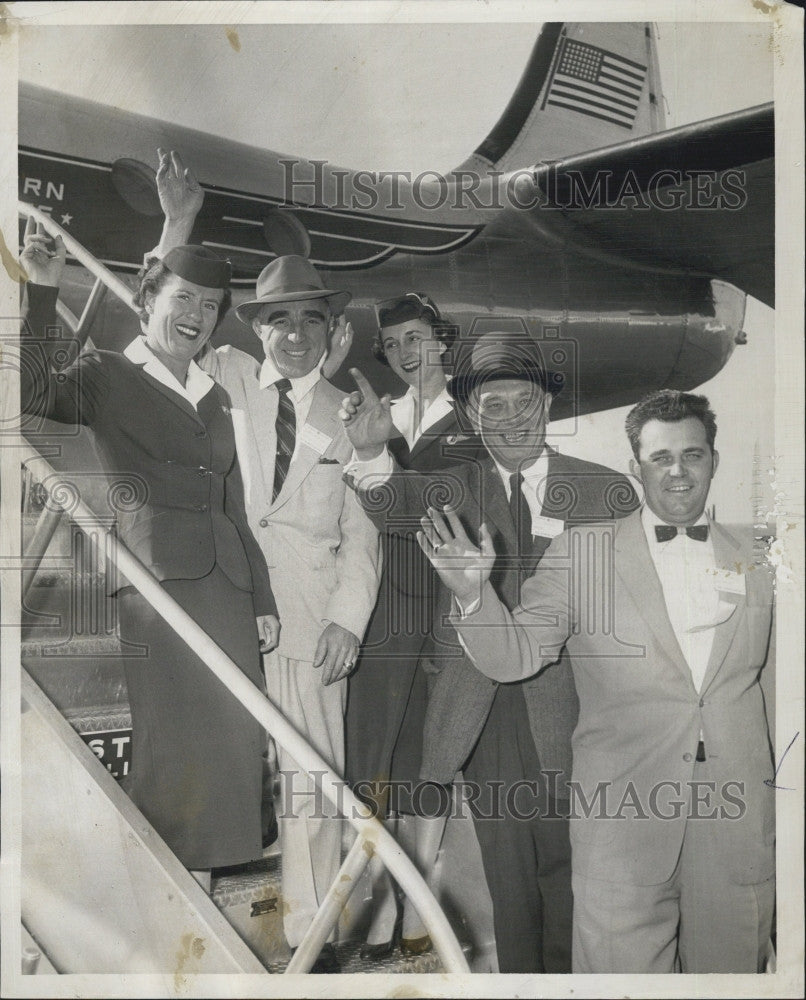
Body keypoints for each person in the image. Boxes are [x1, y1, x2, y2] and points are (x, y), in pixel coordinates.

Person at [418, 389, 775, 974]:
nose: (679, 472)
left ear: (714, 459)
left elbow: (783, 693)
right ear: (636, 468)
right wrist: (474, 595)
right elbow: (514, 656)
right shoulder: (579, 553)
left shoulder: (762, 556)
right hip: (622, 820)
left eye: (693, 454)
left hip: (736, 818)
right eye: (661, 458)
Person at [340, 330, 638, 972]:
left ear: (548, 406)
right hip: (481, 706)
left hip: (576, 707)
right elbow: (393, 505)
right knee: (509, 878)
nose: (507, 420)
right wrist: (368, 453)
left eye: (522, 402)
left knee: (571, 869)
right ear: (472, 416)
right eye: (490, 406)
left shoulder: (604, 490)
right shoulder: (451, 485)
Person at [150, 155, 381, 971]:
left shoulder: (353, 412)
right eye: (276, 318)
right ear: (257, 327)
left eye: (307, 320)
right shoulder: (228, 375)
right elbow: (153, 331)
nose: (291, 333)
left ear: (330, 329)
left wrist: (350, 621)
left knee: (312, 783)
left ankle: (310, 935)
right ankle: (183, 921)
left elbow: (365, 531)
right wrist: (176, 225)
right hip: (229, 599)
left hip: (314, 617)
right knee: (211, 756)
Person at [19, 218, 279, 890]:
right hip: (160, 588)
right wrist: (42, 293)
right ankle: (171, 910)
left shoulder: (217, 395)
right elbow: (27, 396)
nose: (195, 315)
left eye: (210, 306)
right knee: (176, 760)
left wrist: (264, 599)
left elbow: (229, 503)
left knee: (231, 756)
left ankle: (202, 912)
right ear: (148, 300)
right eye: (182, 299)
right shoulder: (106, 373)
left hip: (227, 588)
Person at [343, 293, 483, 958]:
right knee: (375, 759)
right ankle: (378, 900)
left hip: (445, 606)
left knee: (430, 760)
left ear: (443, 341)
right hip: (382, 609)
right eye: (393, 342)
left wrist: (374, 467)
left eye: (417, 337)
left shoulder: (476, 416)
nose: (405, 351)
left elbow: (441, 506)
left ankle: (423, 895)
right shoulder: (376, 418)